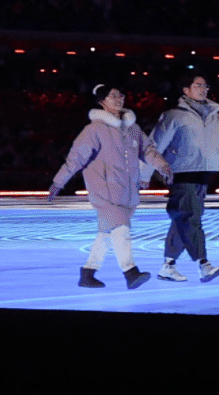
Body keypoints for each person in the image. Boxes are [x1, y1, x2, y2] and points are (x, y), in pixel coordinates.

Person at [49, 82, 170, 289]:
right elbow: (75, 159)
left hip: (128, 191)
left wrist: (162, 165)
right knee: (121, 228)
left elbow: (147, 150)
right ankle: (130, 272)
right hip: (104, 190)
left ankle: (88, 273)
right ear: (102, 101)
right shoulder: (93, 130)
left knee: (107, 233)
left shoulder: (133, 129)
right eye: (113, 96)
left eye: (120, 95)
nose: (118, 99)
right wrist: (58, 182)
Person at [149, 70, 219, 283]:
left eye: (205, 85)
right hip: (180, 174)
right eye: (198, 85)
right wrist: (144, 174)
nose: (203, 89)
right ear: (186, 90)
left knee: (183, 220)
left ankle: (167, 266)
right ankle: (204, 264)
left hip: (203, 175)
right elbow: (154, 144)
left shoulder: (217, 118)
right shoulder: (174, 115)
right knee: (191, 218)